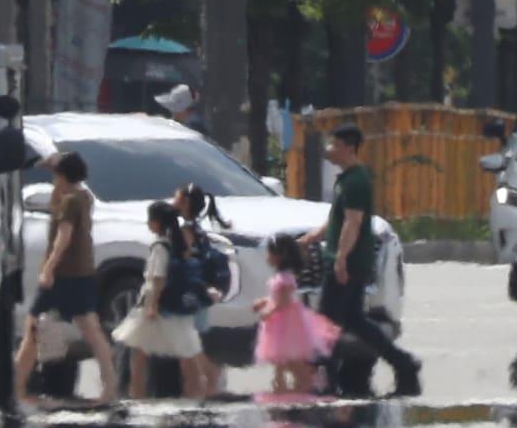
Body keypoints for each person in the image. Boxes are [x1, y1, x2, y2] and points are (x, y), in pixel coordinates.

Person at [299, 124, 422, 397]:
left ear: (348, 148)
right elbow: (336, 220)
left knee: (326, 320)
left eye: (333, 145)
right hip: (348, 260)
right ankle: (404, 363)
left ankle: (325, 379)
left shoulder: (356, 182)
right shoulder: (345, 179)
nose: (328, 150)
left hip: (350, 262)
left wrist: (341, 259)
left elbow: (352, 224)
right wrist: (310, 238)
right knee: (353, 320)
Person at [15, 152, 117, 406]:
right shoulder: (82, 196)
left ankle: (15, 391)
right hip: (82, 272)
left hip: (63, 274)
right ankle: (110, 390)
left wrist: (48, 268)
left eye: (55, 174)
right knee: (91, 331)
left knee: (32, 328)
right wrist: (55, 174)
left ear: (62, 175)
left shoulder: (70, 202)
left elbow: (63, 237)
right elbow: (57, 208)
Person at [112, 201, 206, 399]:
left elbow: (158, 277)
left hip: (155, 305)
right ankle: (196, 392)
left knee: (140, 352)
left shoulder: (160, 246)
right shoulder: (176, 244)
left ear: (155, 223)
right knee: (184, 351)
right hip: (172, 305)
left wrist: (152, 305)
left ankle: (136, 394)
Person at [253, 234, 342, 394]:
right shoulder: (280, 277)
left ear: (279, 256)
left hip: (286, 323)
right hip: (280, 322)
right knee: (280, 360)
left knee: (288, 358)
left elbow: (284, 301)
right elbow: (277, 297)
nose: (266, 257)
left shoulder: (285, 278)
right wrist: (264, 301)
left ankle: (309, 381)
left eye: (269, 253)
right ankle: (282, 386)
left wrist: (269, 311)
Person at [172, 182, 231, 395]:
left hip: (190, 293)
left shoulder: (184, 230)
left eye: (176, 196)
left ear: (185, 203)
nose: (173, 199)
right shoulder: (194, 228)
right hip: (196, 292)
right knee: (187, 345)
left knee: (187, 344)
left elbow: (187, 262)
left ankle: (208, 377)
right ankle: (198, 387)